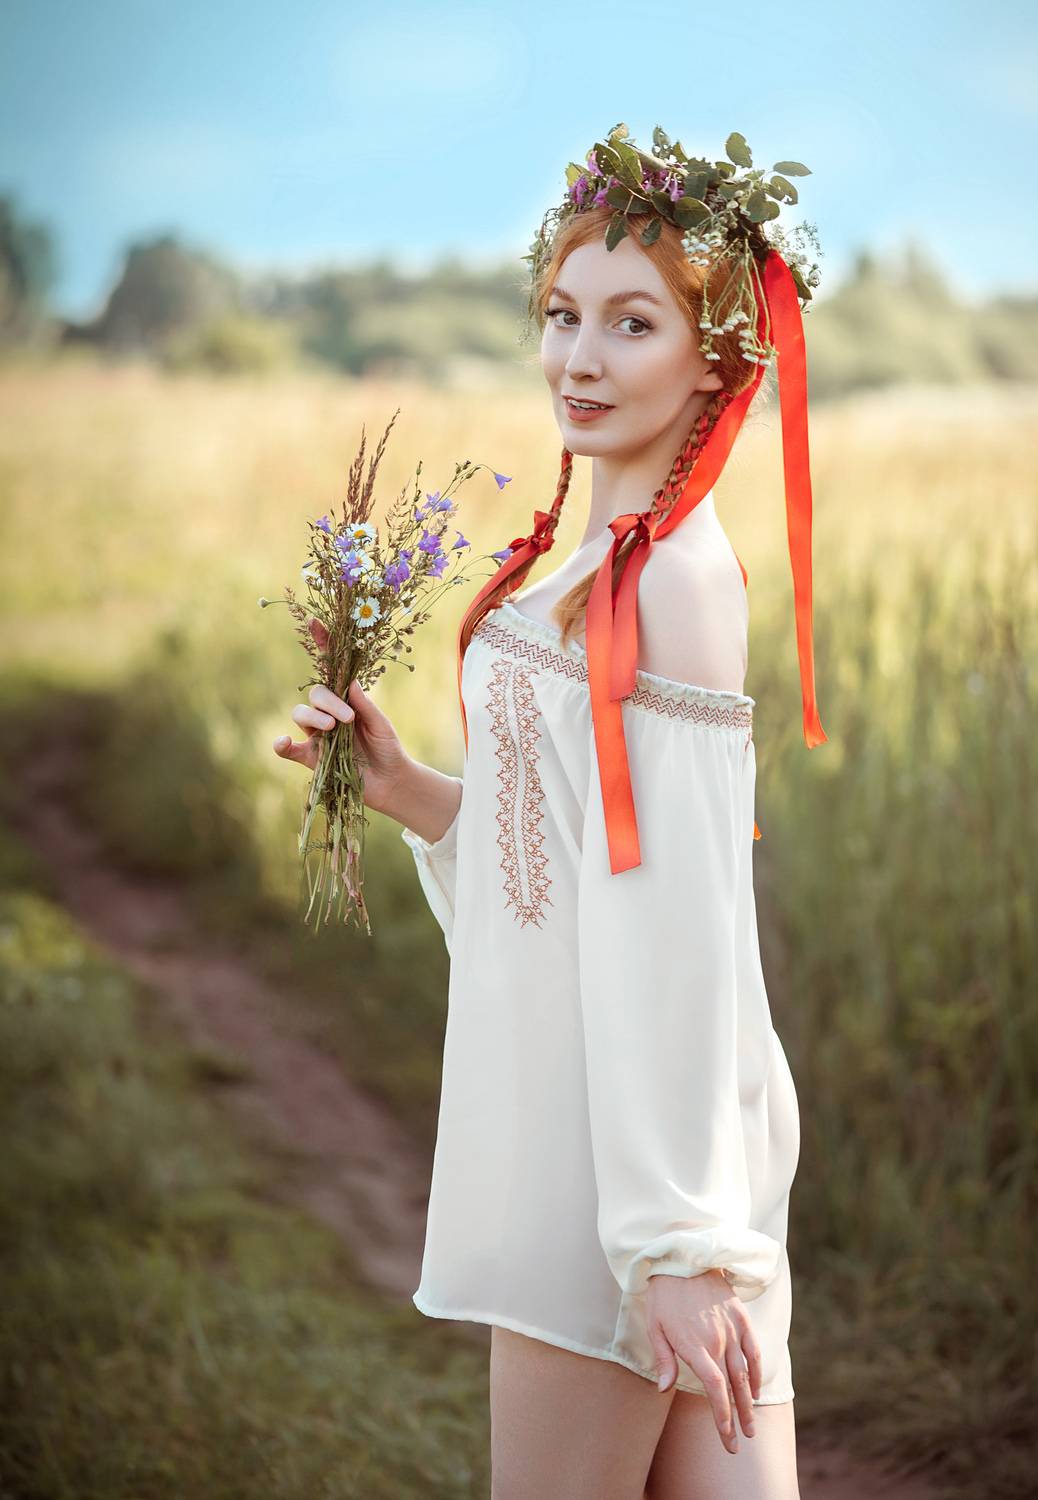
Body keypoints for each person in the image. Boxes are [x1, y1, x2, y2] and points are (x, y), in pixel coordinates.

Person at [274, 125, 825, 1500]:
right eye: (564, 316)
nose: (580, 357)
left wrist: (676, 1245)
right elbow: (563, 866)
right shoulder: (587, 563)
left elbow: (676, 925)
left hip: (624, 1184)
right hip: (635, 1156)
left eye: (631, 324)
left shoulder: (677, 588)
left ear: (717, 356)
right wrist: (413, 794)